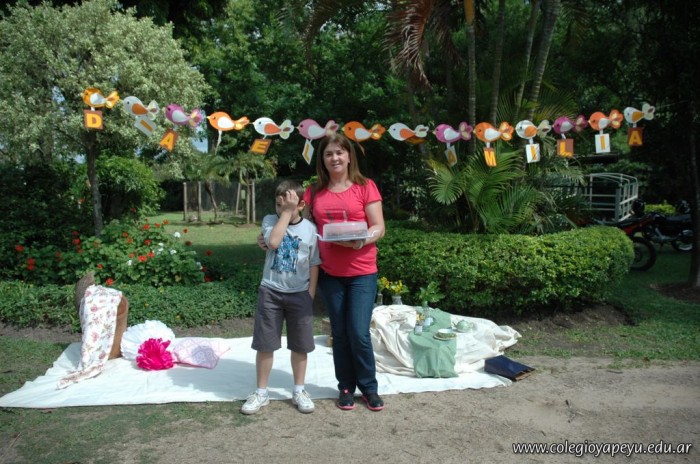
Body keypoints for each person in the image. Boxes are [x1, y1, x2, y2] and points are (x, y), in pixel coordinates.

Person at [305, 133, 386, 411]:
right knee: (339, 333)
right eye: (329, 154)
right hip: (330, 274)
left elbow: (379, 226)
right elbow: (301, 226)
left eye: (339, 152)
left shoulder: (365, 186)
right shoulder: (314, 192)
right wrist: (268, 234)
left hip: (362, 272)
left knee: (359, 333)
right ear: (322, 159)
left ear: (349, 156)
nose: (335, 158)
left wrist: (361, 240)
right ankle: (346, 388)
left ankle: (369, 388)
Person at [241, 180, 321, 415]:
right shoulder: (270, 220)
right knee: (265, 344)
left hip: (299, 294)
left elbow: (314, 262)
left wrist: (310, 293)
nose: (280, 209)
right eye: (278, 205)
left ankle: (299, 390)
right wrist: (286, 212)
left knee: (301, 345)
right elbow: (274, 242)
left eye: (286, 205)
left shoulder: (310, 229)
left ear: (301, 205)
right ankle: (261, 392)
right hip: (271, 292)